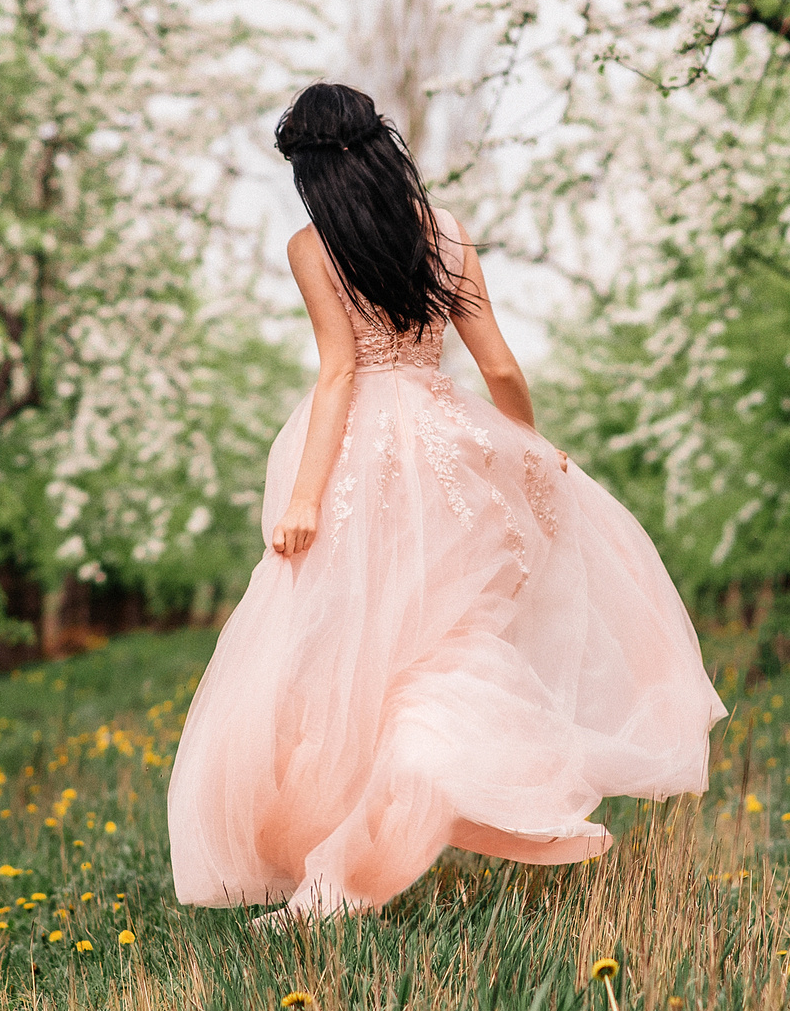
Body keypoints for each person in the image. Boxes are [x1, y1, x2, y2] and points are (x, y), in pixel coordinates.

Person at [168, 83, 726, 926]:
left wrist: (307, 499)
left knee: (351, 653)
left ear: (313, 172)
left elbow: (338, 374)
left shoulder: (311, 247)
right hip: (447, 444)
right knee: (446, 641)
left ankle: (344, 867)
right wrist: (527, 450)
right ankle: (400, 826)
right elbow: (499, 368)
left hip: (362, 456)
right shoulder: (448, 233)